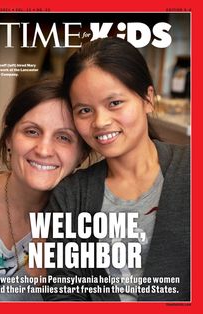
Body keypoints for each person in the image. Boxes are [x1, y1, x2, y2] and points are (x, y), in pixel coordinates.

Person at [43, 38, 190, 302]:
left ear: (147, 99)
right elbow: (62, 295)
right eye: (85, 110)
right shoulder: (70, 196)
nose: (100, 121)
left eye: (114, 103)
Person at [0, 79, 89, 301]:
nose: (44, 149)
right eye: (31, 131)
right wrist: (32, 273)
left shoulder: (82, 225)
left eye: (63, 137)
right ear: (9, 138)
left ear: (82, 155)